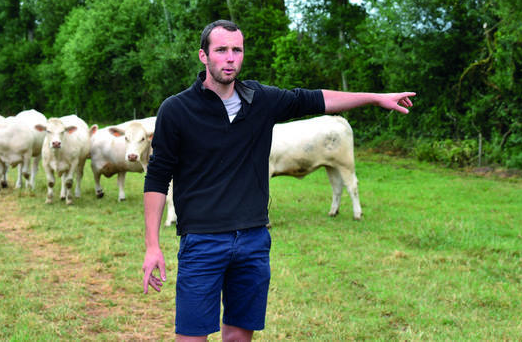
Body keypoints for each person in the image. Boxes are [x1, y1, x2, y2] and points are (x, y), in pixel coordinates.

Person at [142, 20, 414, 341]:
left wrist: (374, 97)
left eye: (237, 50)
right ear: (204, 56)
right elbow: (158, 176)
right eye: (221, 50)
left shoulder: (260, 99)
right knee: (191, 337)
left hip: (253, 241)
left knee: (239, 337)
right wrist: (152, 245)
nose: (230, 58)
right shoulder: (176, 110)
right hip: (202, 241)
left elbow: (316, 99)